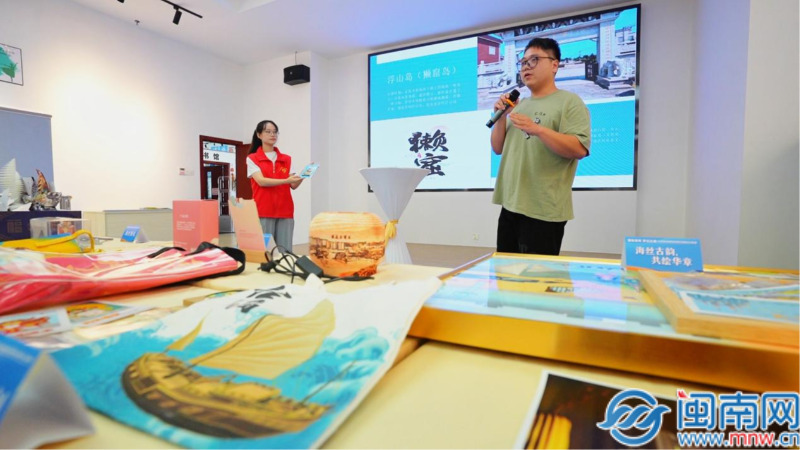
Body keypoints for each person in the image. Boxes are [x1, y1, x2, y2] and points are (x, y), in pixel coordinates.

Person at [490, 37, 591, 256]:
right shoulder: (518, 105)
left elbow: (579, 148)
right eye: (523, 62)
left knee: (537, 275)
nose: (526, 67)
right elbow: (498, 148)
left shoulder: (569, 102)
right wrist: (501, 117)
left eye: (534, 60)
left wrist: (537, 129)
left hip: (543, 209)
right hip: (510, 204)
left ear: (554, 65)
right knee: (505, 272)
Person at [246, 120, 303, 252]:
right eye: (268, 132)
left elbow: (293, 184)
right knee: (266, 252)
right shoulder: (252, 158)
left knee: (285, 252)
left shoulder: (286, 159)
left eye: (275, 132)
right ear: (259, 135)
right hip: (263, 210)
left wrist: (304, 175)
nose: (273, 135)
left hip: (285, 210)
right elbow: (261, 181)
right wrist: (285, 180)